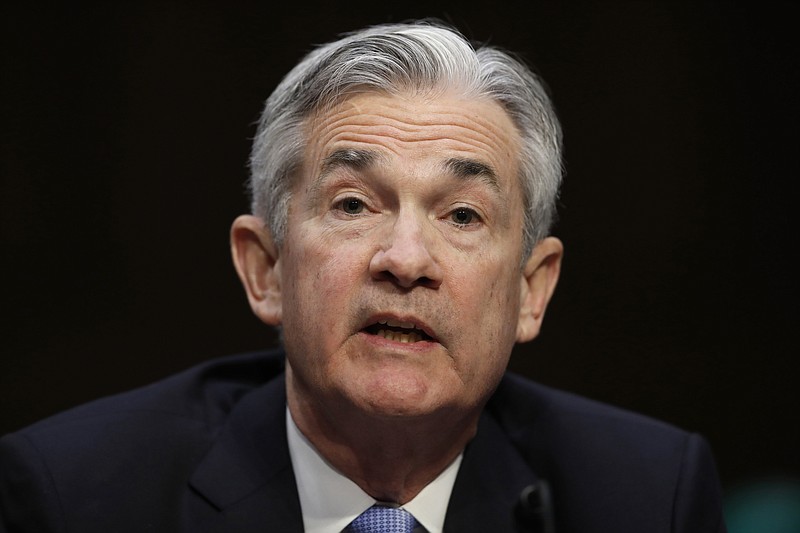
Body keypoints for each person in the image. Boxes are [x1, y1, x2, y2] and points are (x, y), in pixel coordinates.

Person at [0, 21, 726, 532]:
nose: (406, 259)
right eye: (353, 203)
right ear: (266, 269)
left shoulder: (647, 493)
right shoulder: (75, 493)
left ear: (531, 291)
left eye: (463, 215)